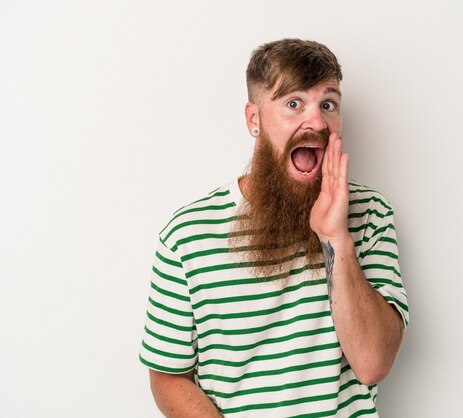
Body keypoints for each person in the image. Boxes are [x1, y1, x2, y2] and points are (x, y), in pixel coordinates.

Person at [139, 38, 409, 417]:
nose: (316, 121)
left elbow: (372, 363)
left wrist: (335, 238)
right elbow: (168, 376)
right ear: (254, 119)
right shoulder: (186, 235)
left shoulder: (370, 215)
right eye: (293, 104)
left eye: (327, 104)